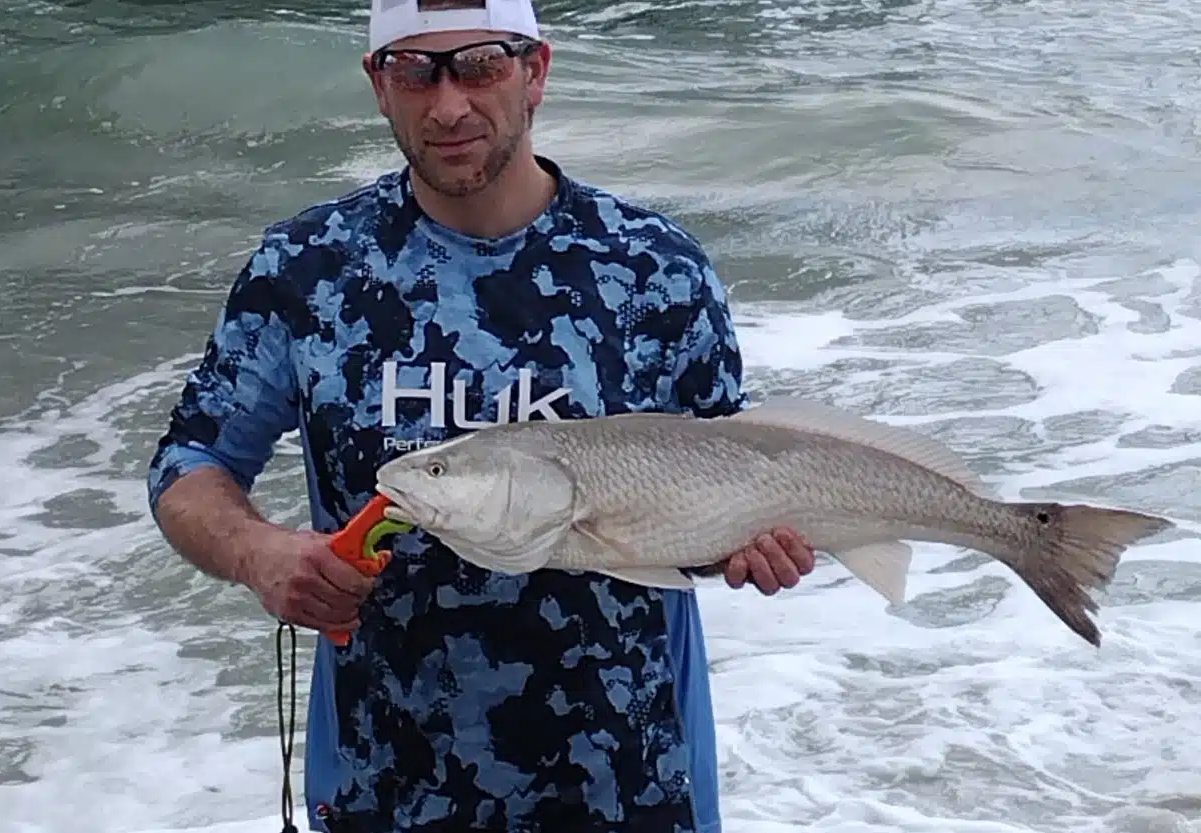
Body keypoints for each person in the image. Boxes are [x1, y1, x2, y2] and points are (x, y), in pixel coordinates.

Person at [145, 0, 816, 830]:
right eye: (414, 72)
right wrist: (259, 554)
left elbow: (722, 487)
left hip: (628, 786)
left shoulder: (655, 271)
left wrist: (749, 546)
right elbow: (189, 462)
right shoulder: (310, 270)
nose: (448, 105)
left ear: (535, 72)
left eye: (480, 65)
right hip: (384, 790)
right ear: (377, 84)